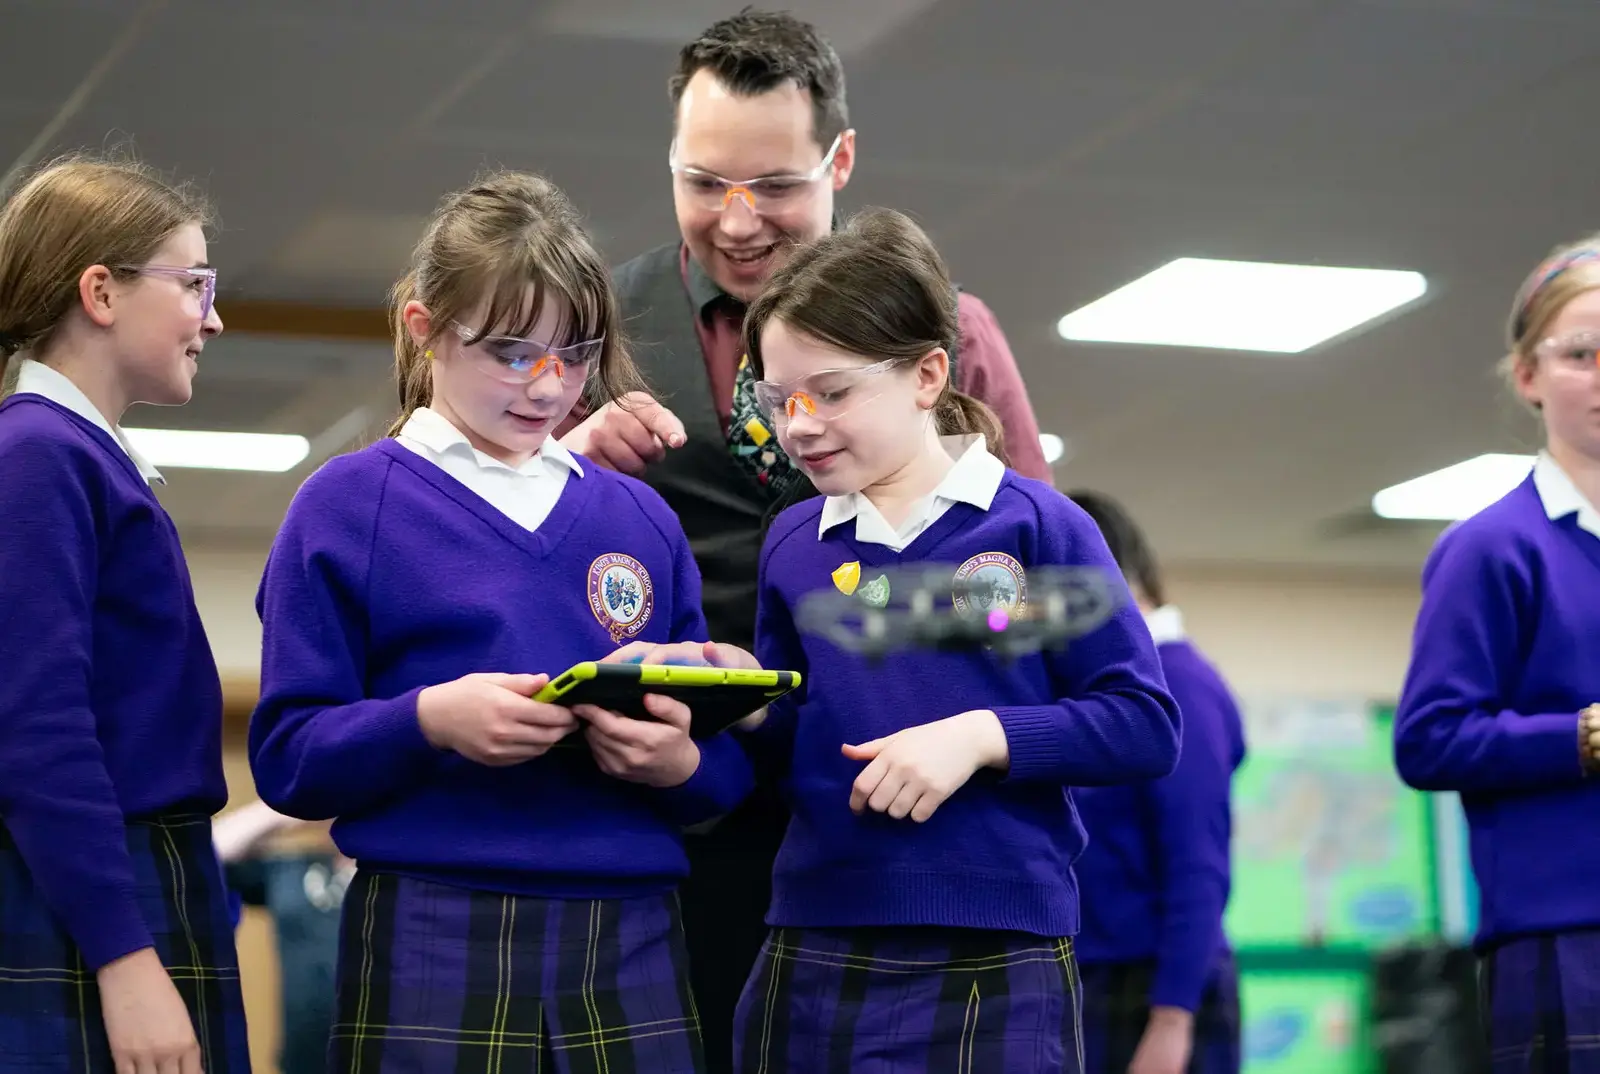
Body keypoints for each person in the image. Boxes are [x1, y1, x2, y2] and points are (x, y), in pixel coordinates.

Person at [557, 14, 1058, 1064]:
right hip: (679, 798)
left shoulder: (949, 333)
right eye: (703, 184)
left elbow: (1028, 580)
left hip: (906, 814)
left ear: (840, 159)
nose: (736, 224)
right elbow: (498, 530)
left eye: (773, 187)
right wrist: (566, 461)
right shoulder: (600, 322)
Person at [248, 170, 753, 1074]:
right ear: (426, 331)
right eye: (513, 352)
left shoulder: (640, 518)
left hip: (630, 931)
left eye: (577, 353)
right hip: (432, 924)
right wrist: (428, 720)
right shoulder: (347, 506)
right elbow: (289, 757)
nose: (550, 386)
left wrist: (680, 763)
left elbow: (719, 774)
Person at [720, 207, 1180, 1072]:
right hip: (817, 931)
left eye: (832, 392)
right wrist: (743, 702)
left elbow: (1142, 723)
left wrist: (978, 738)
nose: (800, 426)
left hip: (997, 944)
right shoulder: (792, 540)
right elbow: (795, 738)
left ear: (928, 374)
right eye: (779, 401)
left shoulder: (1042, 527)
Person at [0, 154, 249, 1072]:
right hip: (96, 897)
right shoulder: (36, 456)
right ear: (100, 292)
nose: (213, 317)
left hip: (142, 877)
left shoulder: (81, 456)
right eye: (193, 284)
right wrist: (124, 956)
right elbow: (37, 730)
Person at [1393, 232, 1600, 1074]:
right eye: (1583, 353)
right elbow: (1429, 739)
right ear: (1528, 376)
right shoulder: (1493, 548)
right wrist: (1580, 736)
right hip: (1566, 936)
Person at [1066, 491, 1246, 1074]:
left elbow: (1198, 864)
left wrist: (1172, 1018)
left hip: (1155, 985)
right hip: (1101, 977)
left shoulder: (1179, 684)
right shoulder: (1105, 686)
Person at [215, 801, 350, 1074]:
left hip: (389, 1055)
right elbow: (211, 850)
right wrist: (288, 809)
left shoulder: (408, 880)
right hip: (304, 1057)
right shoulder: (296, 869)